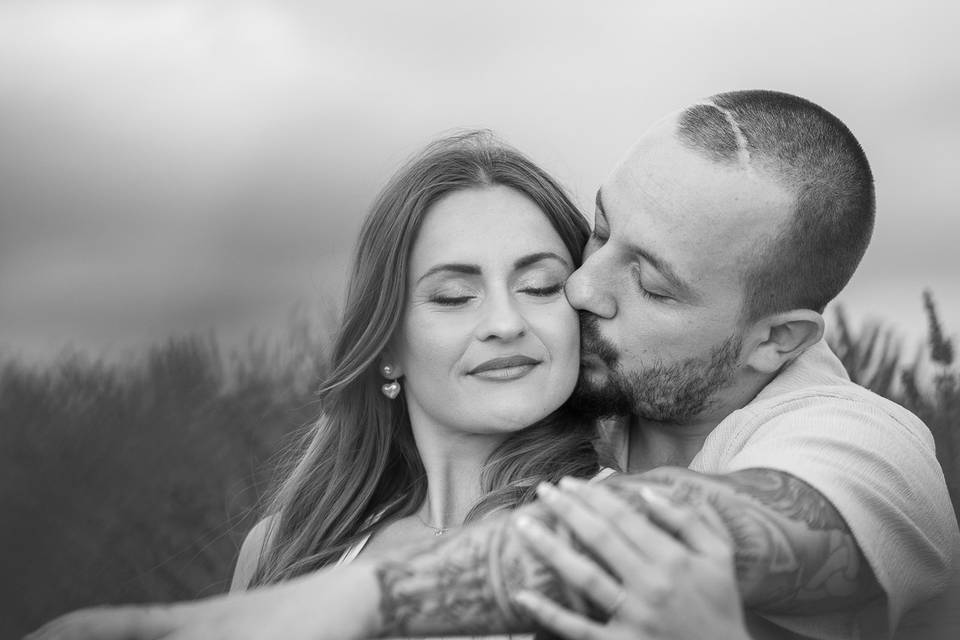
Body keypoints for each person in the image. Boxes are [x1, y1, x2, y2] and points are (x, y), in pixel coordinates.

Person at [28, 90, 959, 640]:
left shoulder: (852, 441)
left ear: (775, 341)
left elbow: (685, 525)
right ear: (386, 338)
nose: (583, 291)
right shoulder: (283, 548)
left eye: (654, 283)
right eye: (596, 233)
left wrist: (288, 614)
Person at [228, 131, 606, 591]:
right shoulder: (283, 551)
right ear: (386, 348)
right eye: (455, 297)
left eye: (541, 286)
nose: (506, 324)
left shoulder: (627, 530)